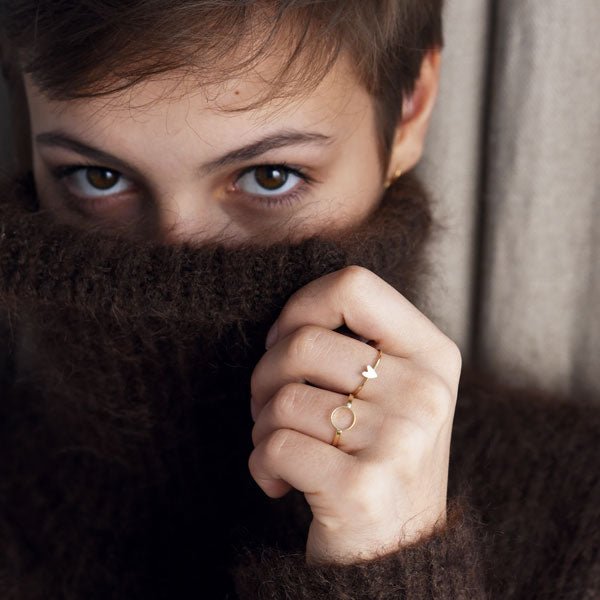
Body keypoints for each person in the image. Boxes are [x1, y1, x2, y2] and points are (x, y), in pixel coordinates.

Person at [0, 1, 598, 598]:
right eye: (97, 177)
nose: (175, 253)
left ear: (410, 108)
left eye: (270, 176)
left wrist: (391, 566)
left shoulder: (581, 519)